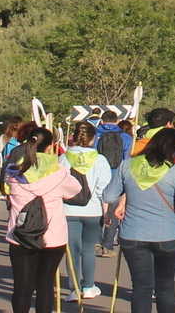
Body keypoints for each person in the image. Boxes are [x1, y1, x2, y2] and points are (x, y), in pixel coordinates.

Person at [103, 128, 175, 313]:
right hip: (168, 235)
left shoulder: (127, 166)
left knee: (141, 288)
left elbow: (109, 195)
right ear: (174, 149)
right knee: (165, 287)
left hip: (133, 234)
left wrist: (125, 198)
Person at [4, 128, 85, 313]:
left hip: (20, 235)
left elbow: (8, 186)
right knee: (45, 285)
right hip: (53, 236)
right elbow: (75, 190)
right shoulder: (59, 173)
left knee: (22, 287)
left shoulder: (14, 172)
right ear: (50, 147)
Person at [63, 122, 114, 301]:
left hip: (68, 210)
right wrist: (106, 212)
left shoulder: (64, 158)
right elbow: (104, 190)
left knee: (72, 250)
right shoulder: (100, 160)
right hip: (93, 211)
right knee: (88, 249)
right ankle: (89, 286)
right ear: (93, 138)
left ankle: (74, 288)